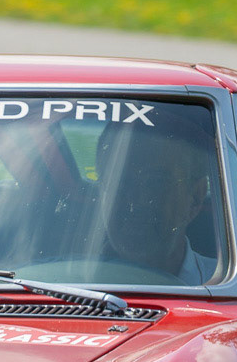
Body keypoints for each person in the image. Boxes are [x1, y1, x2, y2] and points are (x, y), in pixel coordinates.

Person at [94, 118, 219, 284]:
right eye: (119, 182)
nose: (134, 201)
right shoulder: (59, 286)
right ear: (101, 190)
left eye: (156, 183)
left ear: (195, 197)